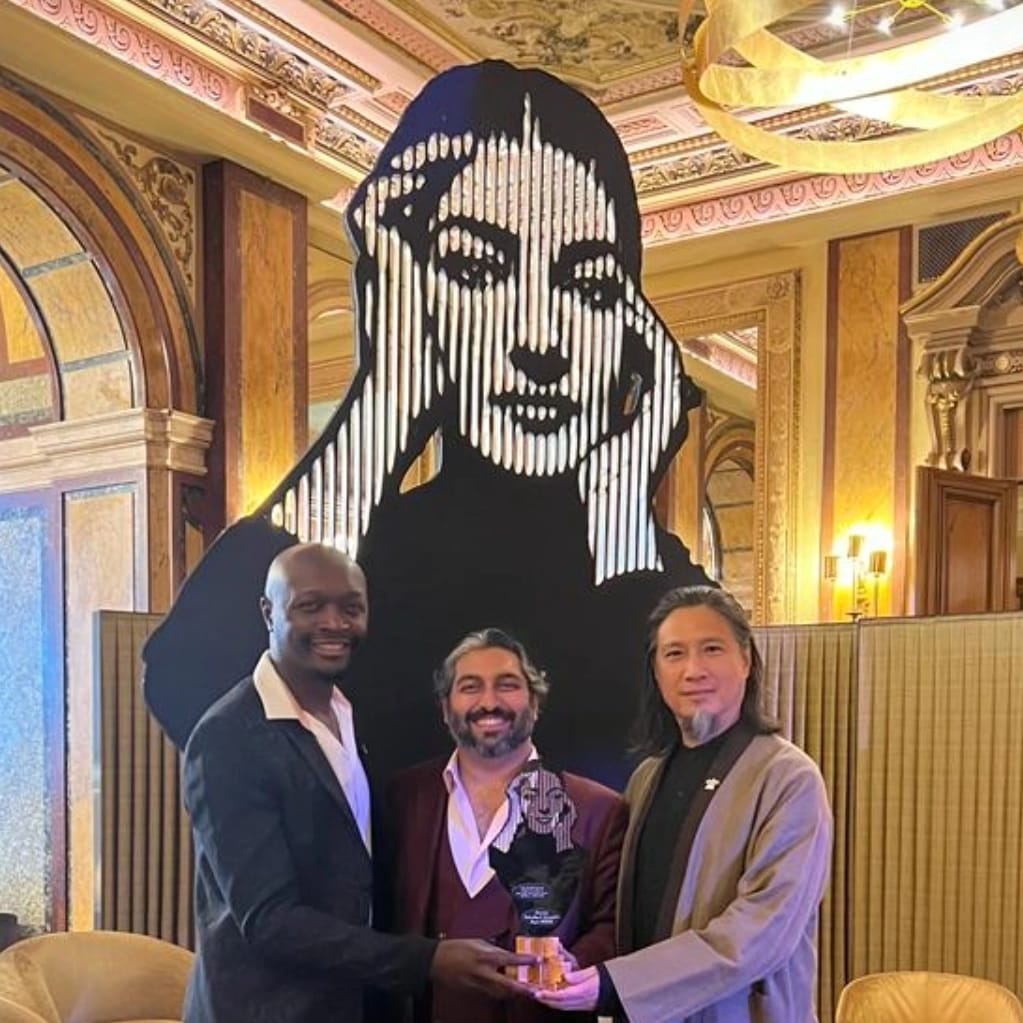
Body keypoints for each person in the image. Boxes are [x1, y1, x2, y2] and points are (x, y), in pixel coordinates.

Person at [144, 61, 709, 790]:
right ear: (408, 294)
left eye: (589, 284)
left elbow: (679, 763)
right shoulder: (373, 569)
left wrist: (621, 522)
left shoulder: (653, 571)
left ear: (630, 329)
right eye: (476, 270)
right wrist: (383, 402)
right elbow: (191, 690)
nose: (540, 341)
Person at [182, 544, 533, 1023]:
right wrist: (426, 960)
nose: (334, 623)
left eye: (351, 608)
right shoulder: (229, 737)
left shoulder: (346, 715)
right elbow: (269, 921)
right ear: (268, 612)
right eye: (311, 606)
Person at [535, 586, 832, 1023]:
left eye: (712, 649)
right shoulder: (646, 778)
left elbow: (761, 932)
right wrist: (576, 960)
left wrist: (618, 984)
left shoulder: (787, 779)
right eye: (674, 654)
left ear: (746, 660)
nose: (693, 670)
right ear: (656, 673)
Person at [385, 628, 628, 1023]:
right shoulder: (405, 798)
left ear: (535, 703)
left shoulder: (598, 810)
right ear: (445, 708)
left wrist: (576, 964)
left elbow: (615, 924)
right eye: (470, 687)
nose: (489, 702)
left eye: (507, 685)